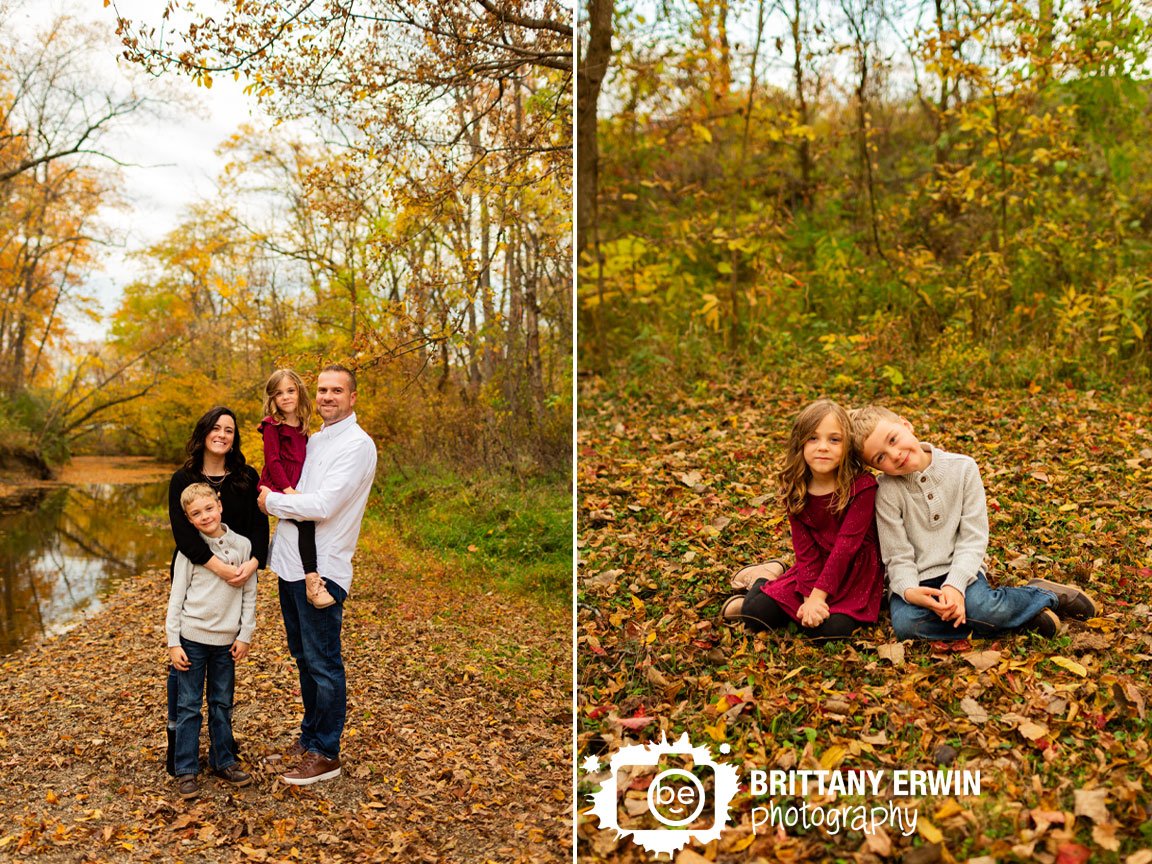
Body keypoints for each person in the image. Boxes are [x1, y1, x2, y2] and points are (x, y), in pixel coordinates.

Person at [851, 405, 1096, 641]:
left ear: (906, 425)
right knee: (907, 625)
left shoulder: (963, 468)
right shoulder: (885, 492)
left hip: (962, 570)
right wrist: (909, 590)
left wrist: (955, 586)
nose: (895, 455)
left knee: (982, 607)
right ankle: (1019, 618)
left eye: (893, 440)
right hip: (917, 581)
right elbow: (897, 554)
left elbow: (973, 538)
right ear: (874, 467)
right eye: (880, 457)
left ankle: (1043, 595)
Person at [258, 364, 377, 786]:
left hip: (323, 571)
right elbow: (288, 477)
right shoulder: (318, 438)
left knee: (325, 664)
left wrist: (269, 502)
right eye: (323, 389)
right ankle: (309, 739)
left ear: (352, 397)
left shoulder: (357, 446)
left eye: (337, 391)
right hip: (290, 565)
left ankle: (326, 752)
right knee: (304, 659)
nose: (327, 396)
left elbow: (322, 505)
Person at [721, 399, 884, 640]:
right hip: (815, 569)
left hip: (854, 572)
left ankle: (767, 598)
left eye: (834, 439)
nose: (823, 447)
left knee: (829, 631)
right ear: (800, 443)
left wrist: (817, 599)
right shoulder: (797, 489)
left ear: (848, 446)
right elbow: (806, 552)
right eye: (813, 438)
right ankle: (764, 575)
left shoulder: (862, 487)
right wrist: (809, 598)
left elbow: (846, 548)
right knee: (757, 613)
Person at [165, 407, 269, 777]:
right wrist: (222, 569)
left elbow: (260, 529)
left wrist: (250, 565)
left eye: (229, 429)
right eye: (216, 428)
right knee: (185, 685)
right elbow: (183, 537)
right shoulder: (183, 479)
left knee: (221, 697)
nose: (222, 434)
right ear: (204, 431)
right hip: (199, 578)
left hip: (238, 579)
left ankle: (223, 754)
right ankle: (181, 757)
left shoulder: (245, 477)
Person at [166, 483, 257, 799]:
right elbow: (176, 597)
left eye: (208, 508)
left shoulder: (243, 546)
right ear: (189, 520)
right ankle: (187, 769)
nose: (204, 516)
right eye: (196, 513)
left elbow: (249, 593)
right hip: (191, 639)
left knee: (222, 703)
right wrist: (173, 642)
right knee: (189, 705)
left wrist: (245, 634)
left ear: (219, 505)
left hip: (226, 642)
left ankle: (223, 760)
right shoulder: (191, 551)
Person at [258, 368, 335, 609]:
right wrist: (287, 489)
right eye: (279, 393)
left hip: (296, 483)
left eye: (290, 391)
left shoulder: (302, 424)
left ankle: (300, 570)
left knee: (300, 523)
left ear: (299, 392)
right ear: (272, 399)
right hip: (277, 482)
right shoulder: (273, 425)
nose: (286, 397)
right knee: (304, 521)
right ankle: (311, 577)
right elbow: (273, 461)